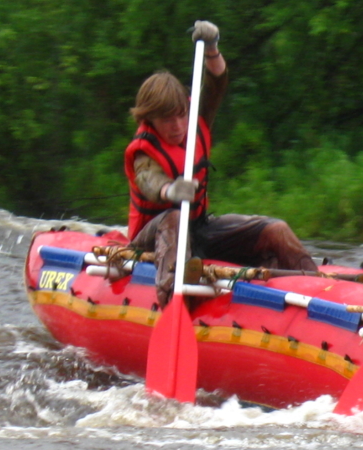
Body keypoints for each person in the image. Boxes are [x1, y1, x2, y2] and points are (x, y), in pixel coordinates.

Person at [124, 21, 316, 306]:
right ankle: (174, 300)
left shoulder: (196, 118)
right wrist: (170, 191)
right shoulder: (144, 150)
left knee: (275, 229)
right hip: (154, 237)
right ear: (149, 119)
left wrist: (212, 48)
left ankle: (315, 290)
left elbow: (217, 83)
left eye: (181, 115)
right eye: (167, 119)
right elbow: (149, 181)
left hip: (198, 229)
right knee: (174, 218)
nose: (177, 126)